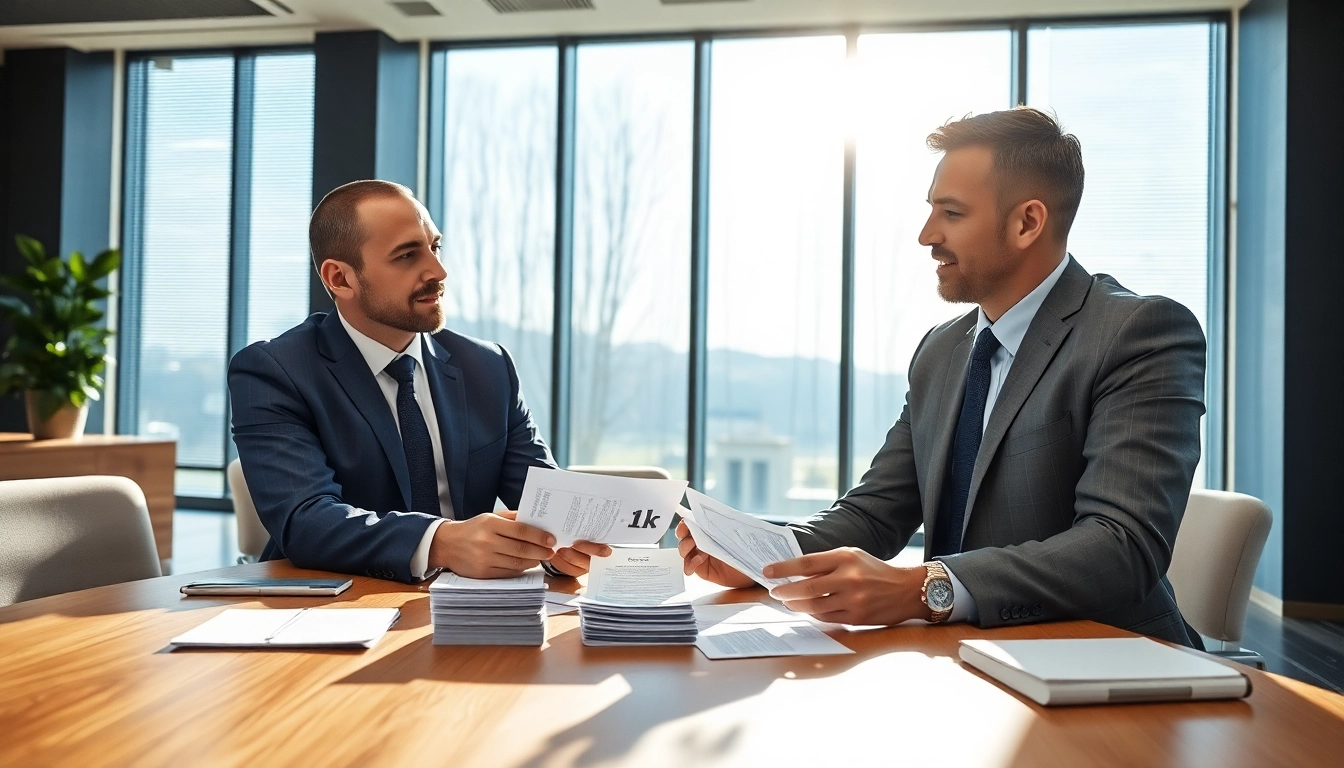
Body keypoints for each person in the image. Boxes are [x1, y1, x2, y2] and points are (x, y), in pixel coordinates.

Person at [678, 108, 1206, 647]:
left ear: (1027, 222)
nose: (927, 235)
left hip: (1108, 661)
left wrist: (920, 589)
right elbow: (875, 513)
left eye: (951, 213)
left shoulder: (1139, 333)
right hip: (965, 657)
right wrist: (760, 558)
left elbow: (1121, 545)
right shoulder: (941, 350)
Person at [229, 180, 608, 583]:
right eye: (407, 255)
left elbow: (544, 502)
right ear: (340, 278)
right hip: (336, 606)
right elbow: (306, 521)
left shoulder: (488, 367)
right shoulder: (274, 370)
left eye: (435, 247)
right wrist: (441, 542)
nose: (438, 271)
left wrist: (561, 549)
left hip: (468, 606)